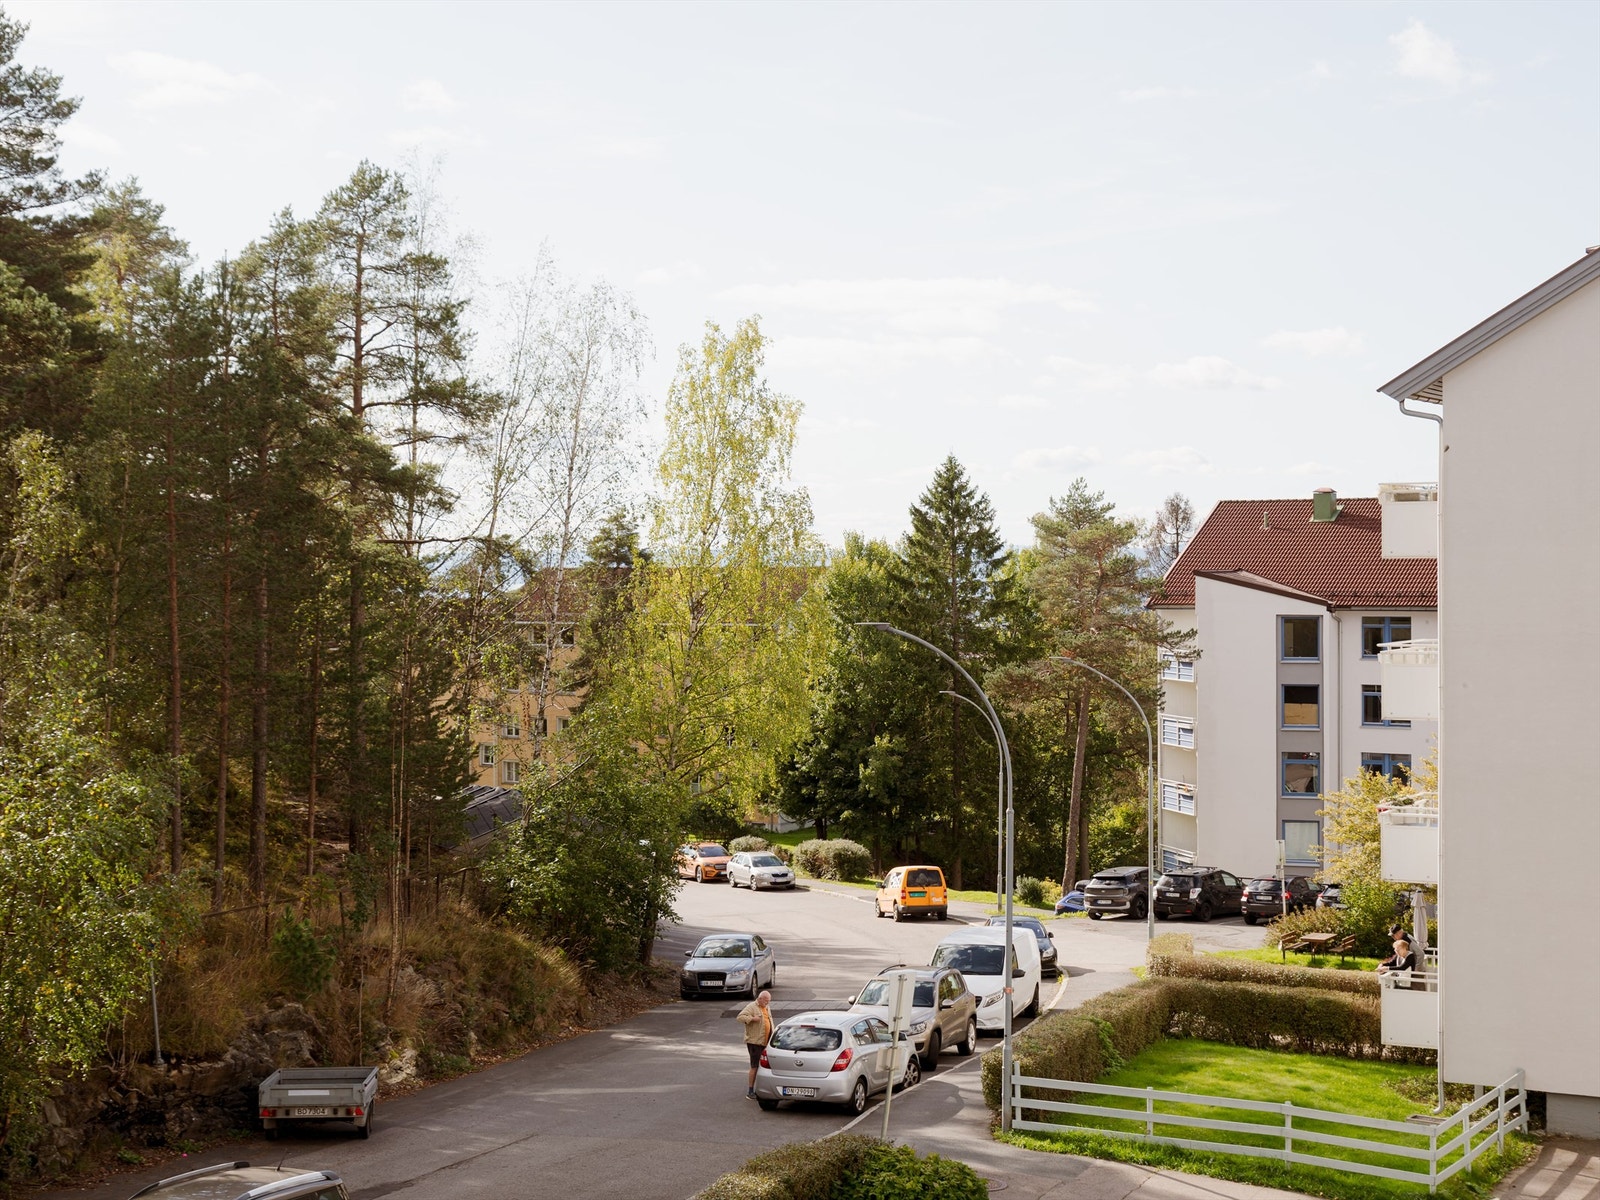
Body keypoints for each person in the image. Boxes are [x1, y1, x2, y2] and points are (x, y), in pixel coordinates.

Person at [736, 990, 773, 1100]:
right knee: (755, 1066)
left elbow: (769, 1021)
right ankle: (750, 1091)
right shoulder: (752, 1006)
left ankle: (763, 1089)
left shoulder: (766, 1007)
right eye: (766, 1001)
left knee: (765, 1066)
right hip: (755, 1042)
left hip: (766, 1042)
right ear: (760, 998)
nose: (767, 1003)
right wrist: (752, 1019)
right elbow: (740, 1017)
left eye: (769, 1001)